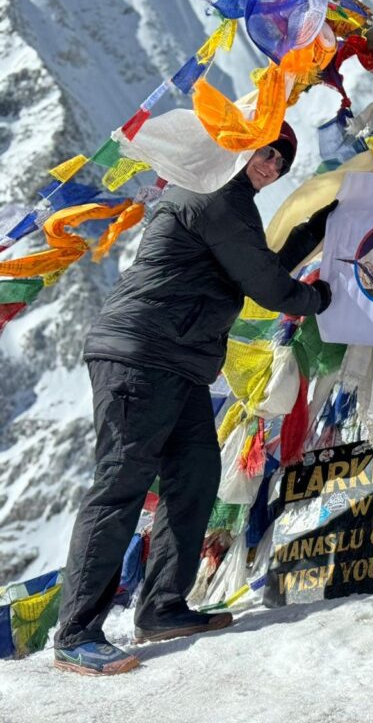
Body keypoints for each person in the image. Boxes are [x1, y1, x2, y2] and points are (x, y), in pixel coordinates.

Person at [54, 123, 338, 675]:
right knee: (121, 485)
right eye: (266, 151)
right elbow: (269, 284)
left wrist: (319, 227)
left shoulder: (227, 203)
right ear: (238, 145)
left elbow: (257, 264)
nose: (273, 165)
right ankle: (75, 634)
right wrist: (318, 297)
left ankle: (161, 606)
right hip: (141, 353)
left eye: (282, 159)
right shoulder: (212, 195)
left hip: (177, 361)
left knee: (196, 475)